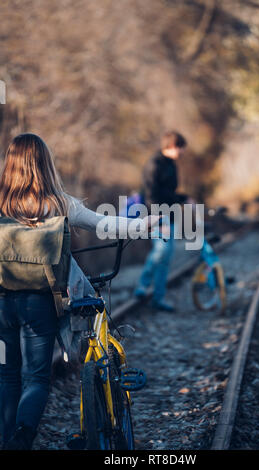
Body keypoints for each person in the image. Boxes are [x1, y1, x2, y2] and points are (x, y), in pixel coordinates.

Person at [0, 133, 157, 450]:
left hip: (3, 302)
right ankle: (22, 437)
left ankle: (7, 442)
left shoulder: (1, 203)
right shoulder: (58, 203)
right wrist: (145, 225)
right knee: (37, 377)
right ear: (45, 164)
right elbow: (105, 225)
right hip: (40, 301)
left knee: (7, 376)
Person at [134, 130, 188, 312]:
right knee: (161, 251)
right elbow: (150, 195)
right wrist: (159, 220)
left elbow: (169, 193)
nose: (182, 152)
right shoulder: (154, 164)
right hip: (156, 216)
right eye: (180, 148)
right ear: (172, 146)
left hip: (170, 214)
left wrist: (184, 199)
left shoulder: (172, 164)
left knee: (166, 258)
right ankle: (143, 285)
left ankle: (158, 298)